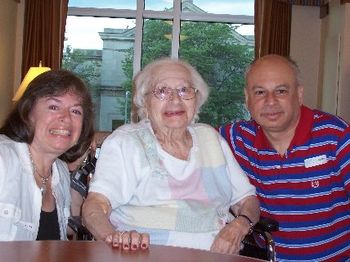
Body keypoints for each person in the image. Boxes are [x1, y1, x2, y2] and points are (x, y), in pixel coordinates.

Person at [82, 57, 260, 254]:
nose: (175, 99)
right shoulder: (127, 143)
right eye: (162, 91)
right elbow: (95, 206)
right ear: (145, 102)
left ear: (197, 99)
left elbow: (247, 199)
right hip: (147, 255)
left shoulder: (210, 138)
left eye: (184, 90)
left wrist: (240, 225)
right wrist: (113, 238)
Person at [219, 54, 350, 261]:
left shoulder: (335, 135)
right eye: (260, 92)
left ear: (298, 95)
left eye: (281, 91)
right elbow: (185, 138)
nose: (270, 101)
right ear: (247, 98)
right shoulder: (236, 139)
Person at [0, 70, 94, 240]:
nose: (65, 117)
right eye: (53, 107)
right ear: (28, 113)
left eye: (76, 111)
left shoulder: (61, 172)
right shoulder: (3, 159)